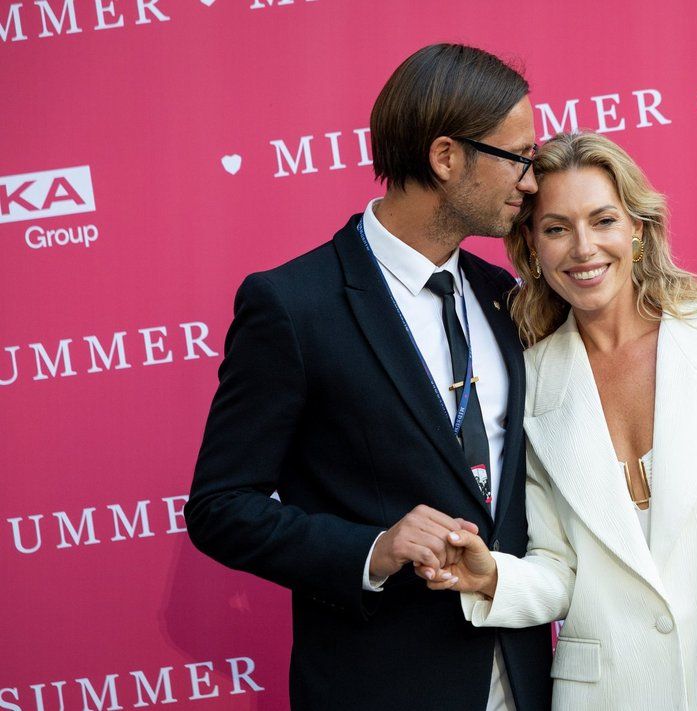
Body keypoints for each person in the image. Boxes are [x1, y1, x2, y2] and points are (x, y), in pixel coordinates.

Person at [184, 44, 550, 710]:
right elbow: (220, 506)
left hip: (522, 680)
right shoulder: (294, 305)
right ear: (446, 157)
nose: (531, 182)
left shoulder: (505, 296)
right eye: (519, 157)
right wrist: (373, 549)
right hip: (378, 685)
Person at [419, 132, 697, 710]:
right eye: (557, 229)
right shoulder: (527, 379)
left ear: (637, 228)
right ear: (531, 245)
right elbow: (561, 569)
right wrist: (493, 578)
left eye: (604, 220)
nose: (584, 248)